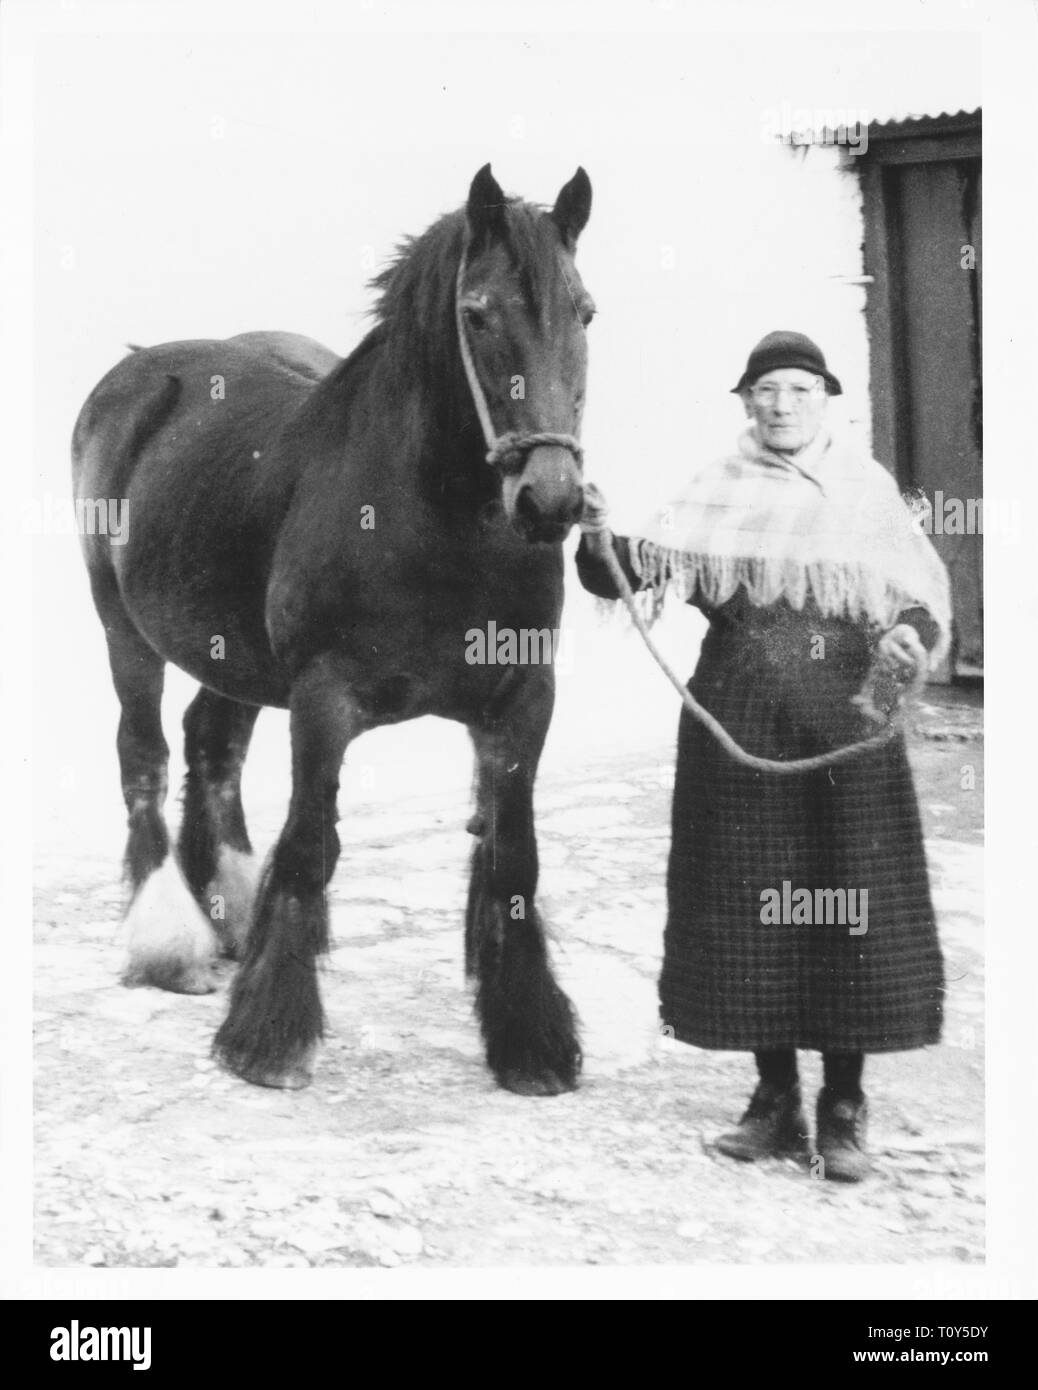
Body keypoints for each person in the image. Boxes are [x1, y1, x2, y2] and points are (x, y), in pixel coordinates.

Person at [576, 331, 952, 1182]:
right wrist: (598, 532)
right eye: (767, 391)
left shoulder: (865, 493)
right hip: (739, 722)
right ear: (746, 402)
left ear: (825, 402)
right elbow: (623, 576)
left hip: (850, 725)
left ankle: (844, 1107)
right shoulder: (717, 491)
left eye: (799, 390)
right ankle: (774, 1101)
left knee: (848, 903)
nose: (783, 405)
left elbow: (921, 598)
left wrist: (908, 639)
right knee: (754, 907)